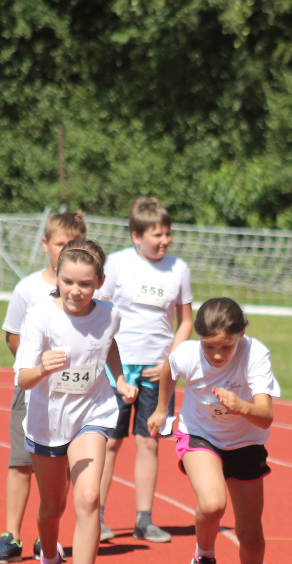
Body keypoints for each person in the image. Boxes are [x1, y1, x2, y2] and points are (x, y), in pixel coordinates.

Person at [14, 244, 138, 564]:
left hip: (92, 413)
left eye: (85, 284)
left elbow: (108, 344)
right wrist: (43, 368)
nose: (76, 291)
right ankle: (51, 561)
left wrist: (119, 379)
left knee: (88, 497)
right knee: (52, 508)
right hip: (48, 422)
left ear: (99, 282)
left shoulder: (110, 314)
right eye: (68, 281)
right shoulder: (40, 317)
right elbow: (23, 377)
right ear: (57, 277)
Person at [147, 298, 280, 564]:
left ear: (241, 334)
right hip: (200, 435)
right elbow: (169, 369)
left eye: (226, 346)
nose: (218, 355)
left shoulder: (255, 354)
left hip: (246, 443)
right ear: (199, 339)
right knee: (212, 503)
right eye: (210, 346)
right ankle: (204, 557)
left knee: (250, 532)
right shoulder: (187, 354)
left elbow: (265, 417)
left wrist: (241, 407)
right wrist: (162, 409)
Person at [0, 212, 88, 564]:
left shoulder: (87, 291)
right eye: (60, 244)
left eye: (74, 244)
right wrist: (35, 366)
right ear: (45, 244)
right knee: (20, 462)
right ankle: (10, 535)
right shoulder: (28, 288)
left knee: (61, 464)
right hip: (32, 388)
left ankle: (49, 535)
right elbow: (12, 336)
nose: (66, 250)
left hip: (72, 393)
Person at [98, 197, 194, 543]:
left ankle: (144, 520)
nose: (165, 240)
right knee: (109, 442)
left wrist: (169, 361)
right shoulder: (118, 264)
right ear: (137, 236)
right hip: (118, 368)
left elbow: (186, 321)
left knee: (149, 442)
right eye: (157, 235)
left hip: (158, 369)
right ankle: (97, 516)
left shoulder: (179, 268)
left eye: (168, 233)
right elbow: (100, 310)